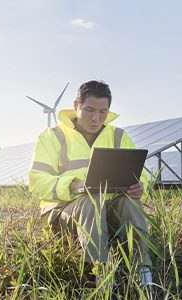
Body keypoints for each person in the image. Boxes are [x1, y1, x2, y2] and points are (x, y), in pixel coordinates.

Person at [28, 80, 153, 288]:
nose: (96, 118)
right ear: (76, 105)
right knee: (91, 199)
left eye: (103, 112)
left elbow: (141, 174)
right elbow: (37, 181)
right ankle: (98, 277)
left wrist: (140, 187)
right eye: (89, 110)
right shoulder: (52, 137)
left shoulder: (119, 136)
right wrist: (72, 185)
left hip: (109, 213)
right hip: (62, 213)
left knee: (129, 204)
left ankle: (145, 274)